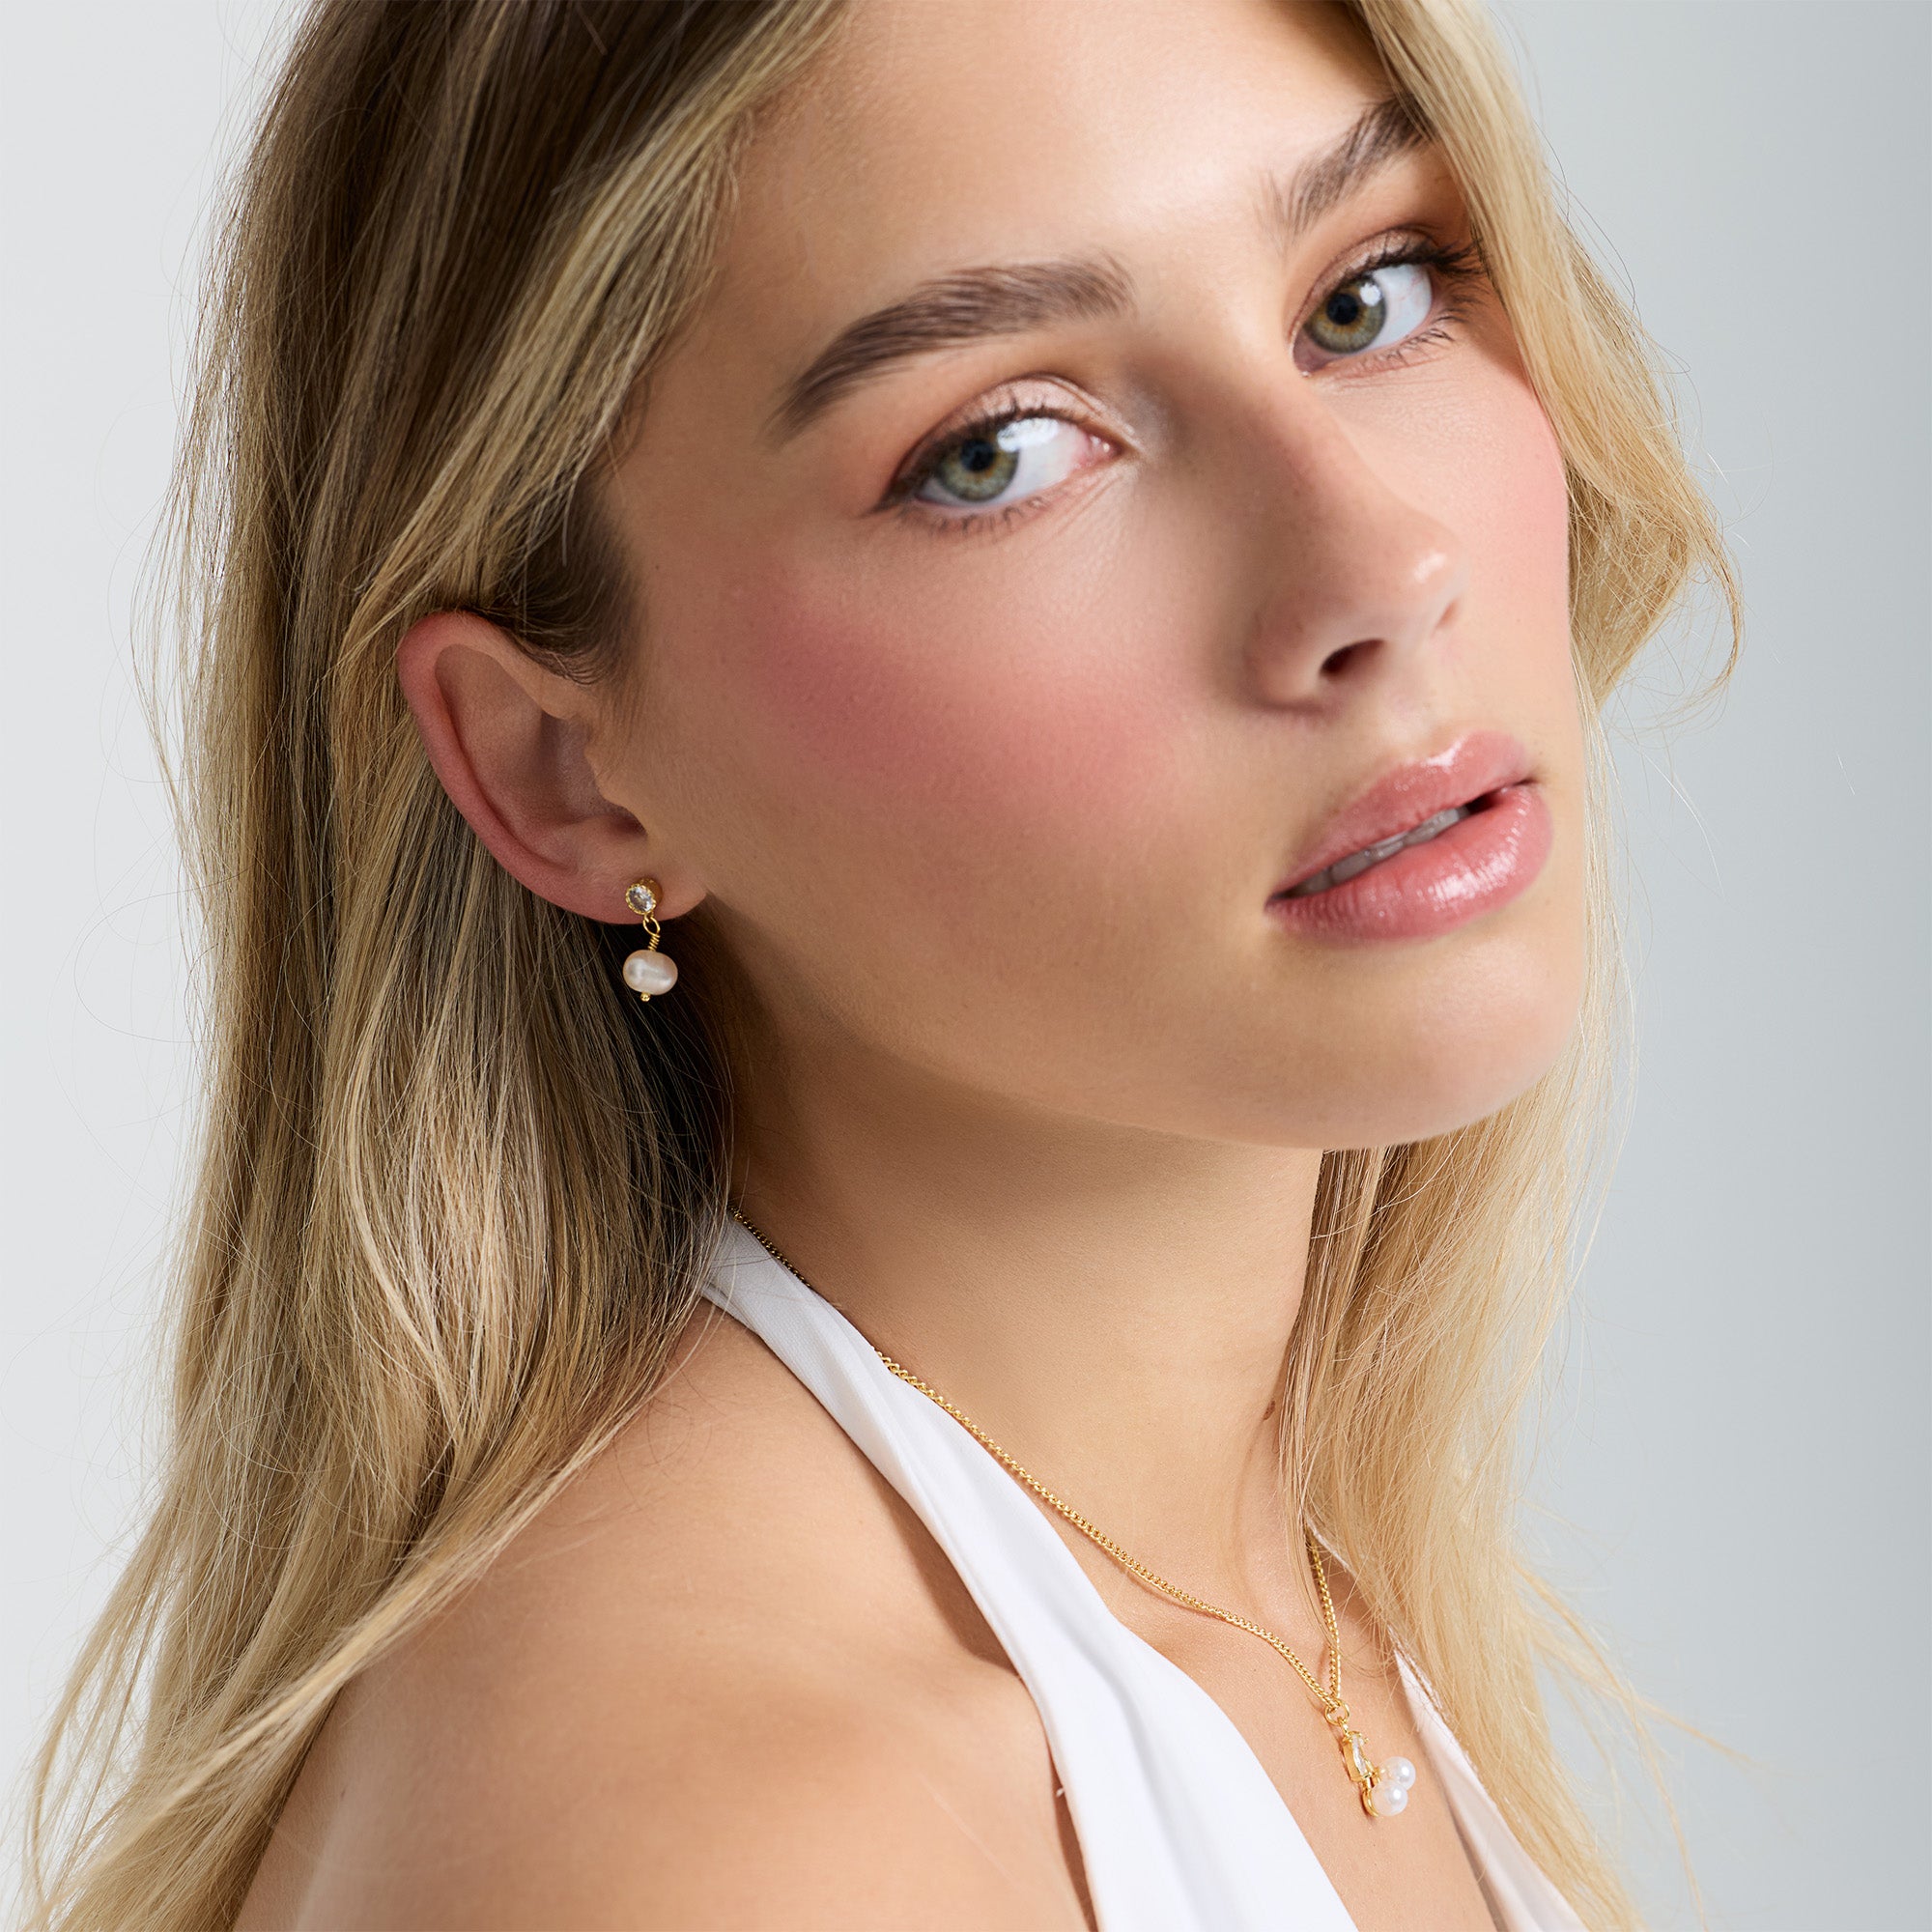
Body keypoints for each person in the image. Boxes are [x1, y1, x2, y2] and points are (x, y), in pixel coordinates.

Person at [23, 1, 1738, 1926]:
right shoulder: (739, 1849)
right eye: (995, 451)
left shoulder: (1241, 1586)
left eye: (1366, 297)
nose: (1377, 570)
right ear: (562, 770)